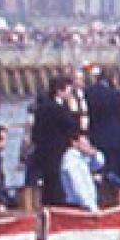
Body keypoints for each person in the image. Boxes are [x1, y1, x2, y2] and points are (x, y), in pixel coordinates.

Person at [31, 76, 80, 206]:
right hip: (57, 152)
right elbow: (73, 127)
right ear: (59, 91)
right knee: (57, 185)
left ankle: (47, 208)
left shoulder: (41, 107)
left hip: (43, 151)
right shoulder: (59, 109)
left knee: (48, 185)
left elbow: (35, 132)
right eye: (68, 91)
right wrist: (74, 111)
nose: (70, 94)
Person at [84, 64, 120, 179]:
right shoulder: (115, 95)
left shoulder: (88, 92)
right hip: (114, 136)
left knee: (99, 166)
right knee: (113, 169)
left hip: (96, 133)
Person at [59, 129, 105, 212]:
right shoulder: (71, 161)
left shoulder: (82, 158)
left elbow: (99, 163)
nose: (88, 146)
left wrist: (94, 153)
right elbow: (78, 186)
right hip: (79, 206)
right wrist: (92, 207)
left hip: (87, 205)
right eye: (85, 144)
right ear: (74, 143)